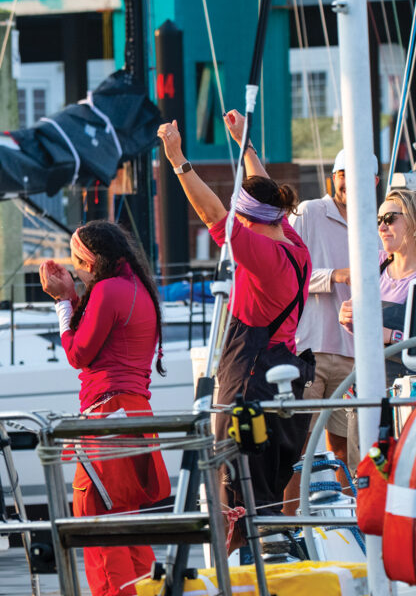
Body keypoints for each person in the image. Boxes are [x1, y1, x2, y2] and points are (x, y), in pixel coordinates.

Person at [158, 114, 314, 535]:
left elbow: (213, 211)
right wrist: (246, 146)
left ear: (248, 220)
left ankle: (244, 570)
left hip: (250, 372)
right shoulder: (293, 245)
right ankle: (262, 556)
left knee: (237, 477)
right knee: (263, 481)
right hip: (281, 365)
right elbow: (261, 194)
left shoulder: (262, 257)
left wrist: (178, 160)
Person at [39, 221, 171, 596]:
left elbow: (79, 353)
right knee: (124, 512)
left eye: (77, 261)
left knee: (96, 509)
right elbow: (105, 334)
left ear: (91, 260)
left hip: (108, 412)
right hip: (133, 411)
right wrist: (74, 296)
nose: (76, 269)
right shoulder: (134, 288)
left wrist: (64, 302)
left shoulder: (109, 290)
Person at [283, 149, 357, 476]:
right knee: (299, 448)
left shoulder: (376, 225)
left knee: (346, 450)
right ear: (334, 177)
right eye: (343, 175)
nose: (348, 184)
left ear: (372, 181)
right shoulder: (309, 211)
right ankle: (288, 523)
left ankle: (349, 523)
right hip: (309, 349)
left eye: (356, 177)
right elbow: (286, 270)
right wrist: (334, 275)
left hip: (354, 354)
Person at [339, 189, 416, 372]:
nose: (381, 228)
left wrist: (391, 335)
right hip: (370, 375)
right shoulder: (374, 263)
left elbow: (381, 333)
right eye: (379, 220)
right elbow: (367, 330)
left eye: (389, 219)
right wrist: (349, 318)